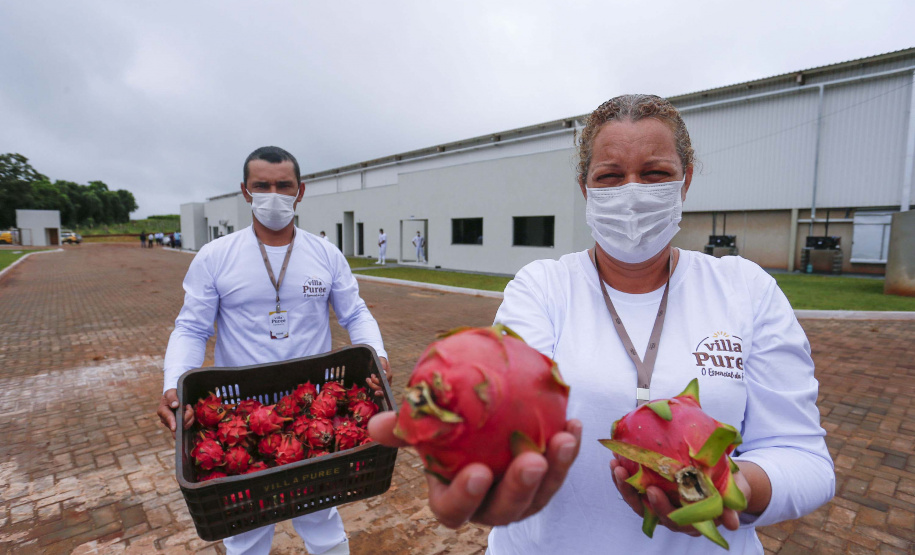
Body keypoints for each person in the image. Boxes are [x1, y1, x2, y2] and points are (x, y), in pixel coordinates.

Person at [370, 94, 834, 554]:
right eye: (610, 176)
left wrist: (731, 488)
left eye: (655, 174)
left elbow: (803, 458)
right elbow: (503, 394)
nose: (631, 192)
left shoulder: (744, 288)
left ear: (685, 181)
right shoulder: (544, 287)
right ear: (585, 188)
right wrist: (475, 459)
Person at [156, 146, 391, 555]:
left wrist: (376, 353)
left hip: (313, 406)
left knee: (321, 516)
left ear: (300, 191)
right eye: (261, 186)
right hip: (241, 413)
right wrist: (174, 383)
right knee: (245, 529)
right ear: (245, 192)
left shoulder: (324, 254)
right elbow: (192, 327)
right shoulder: (217, 256)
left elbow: (355, 312)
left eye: (283, 186)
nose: (273, 195)